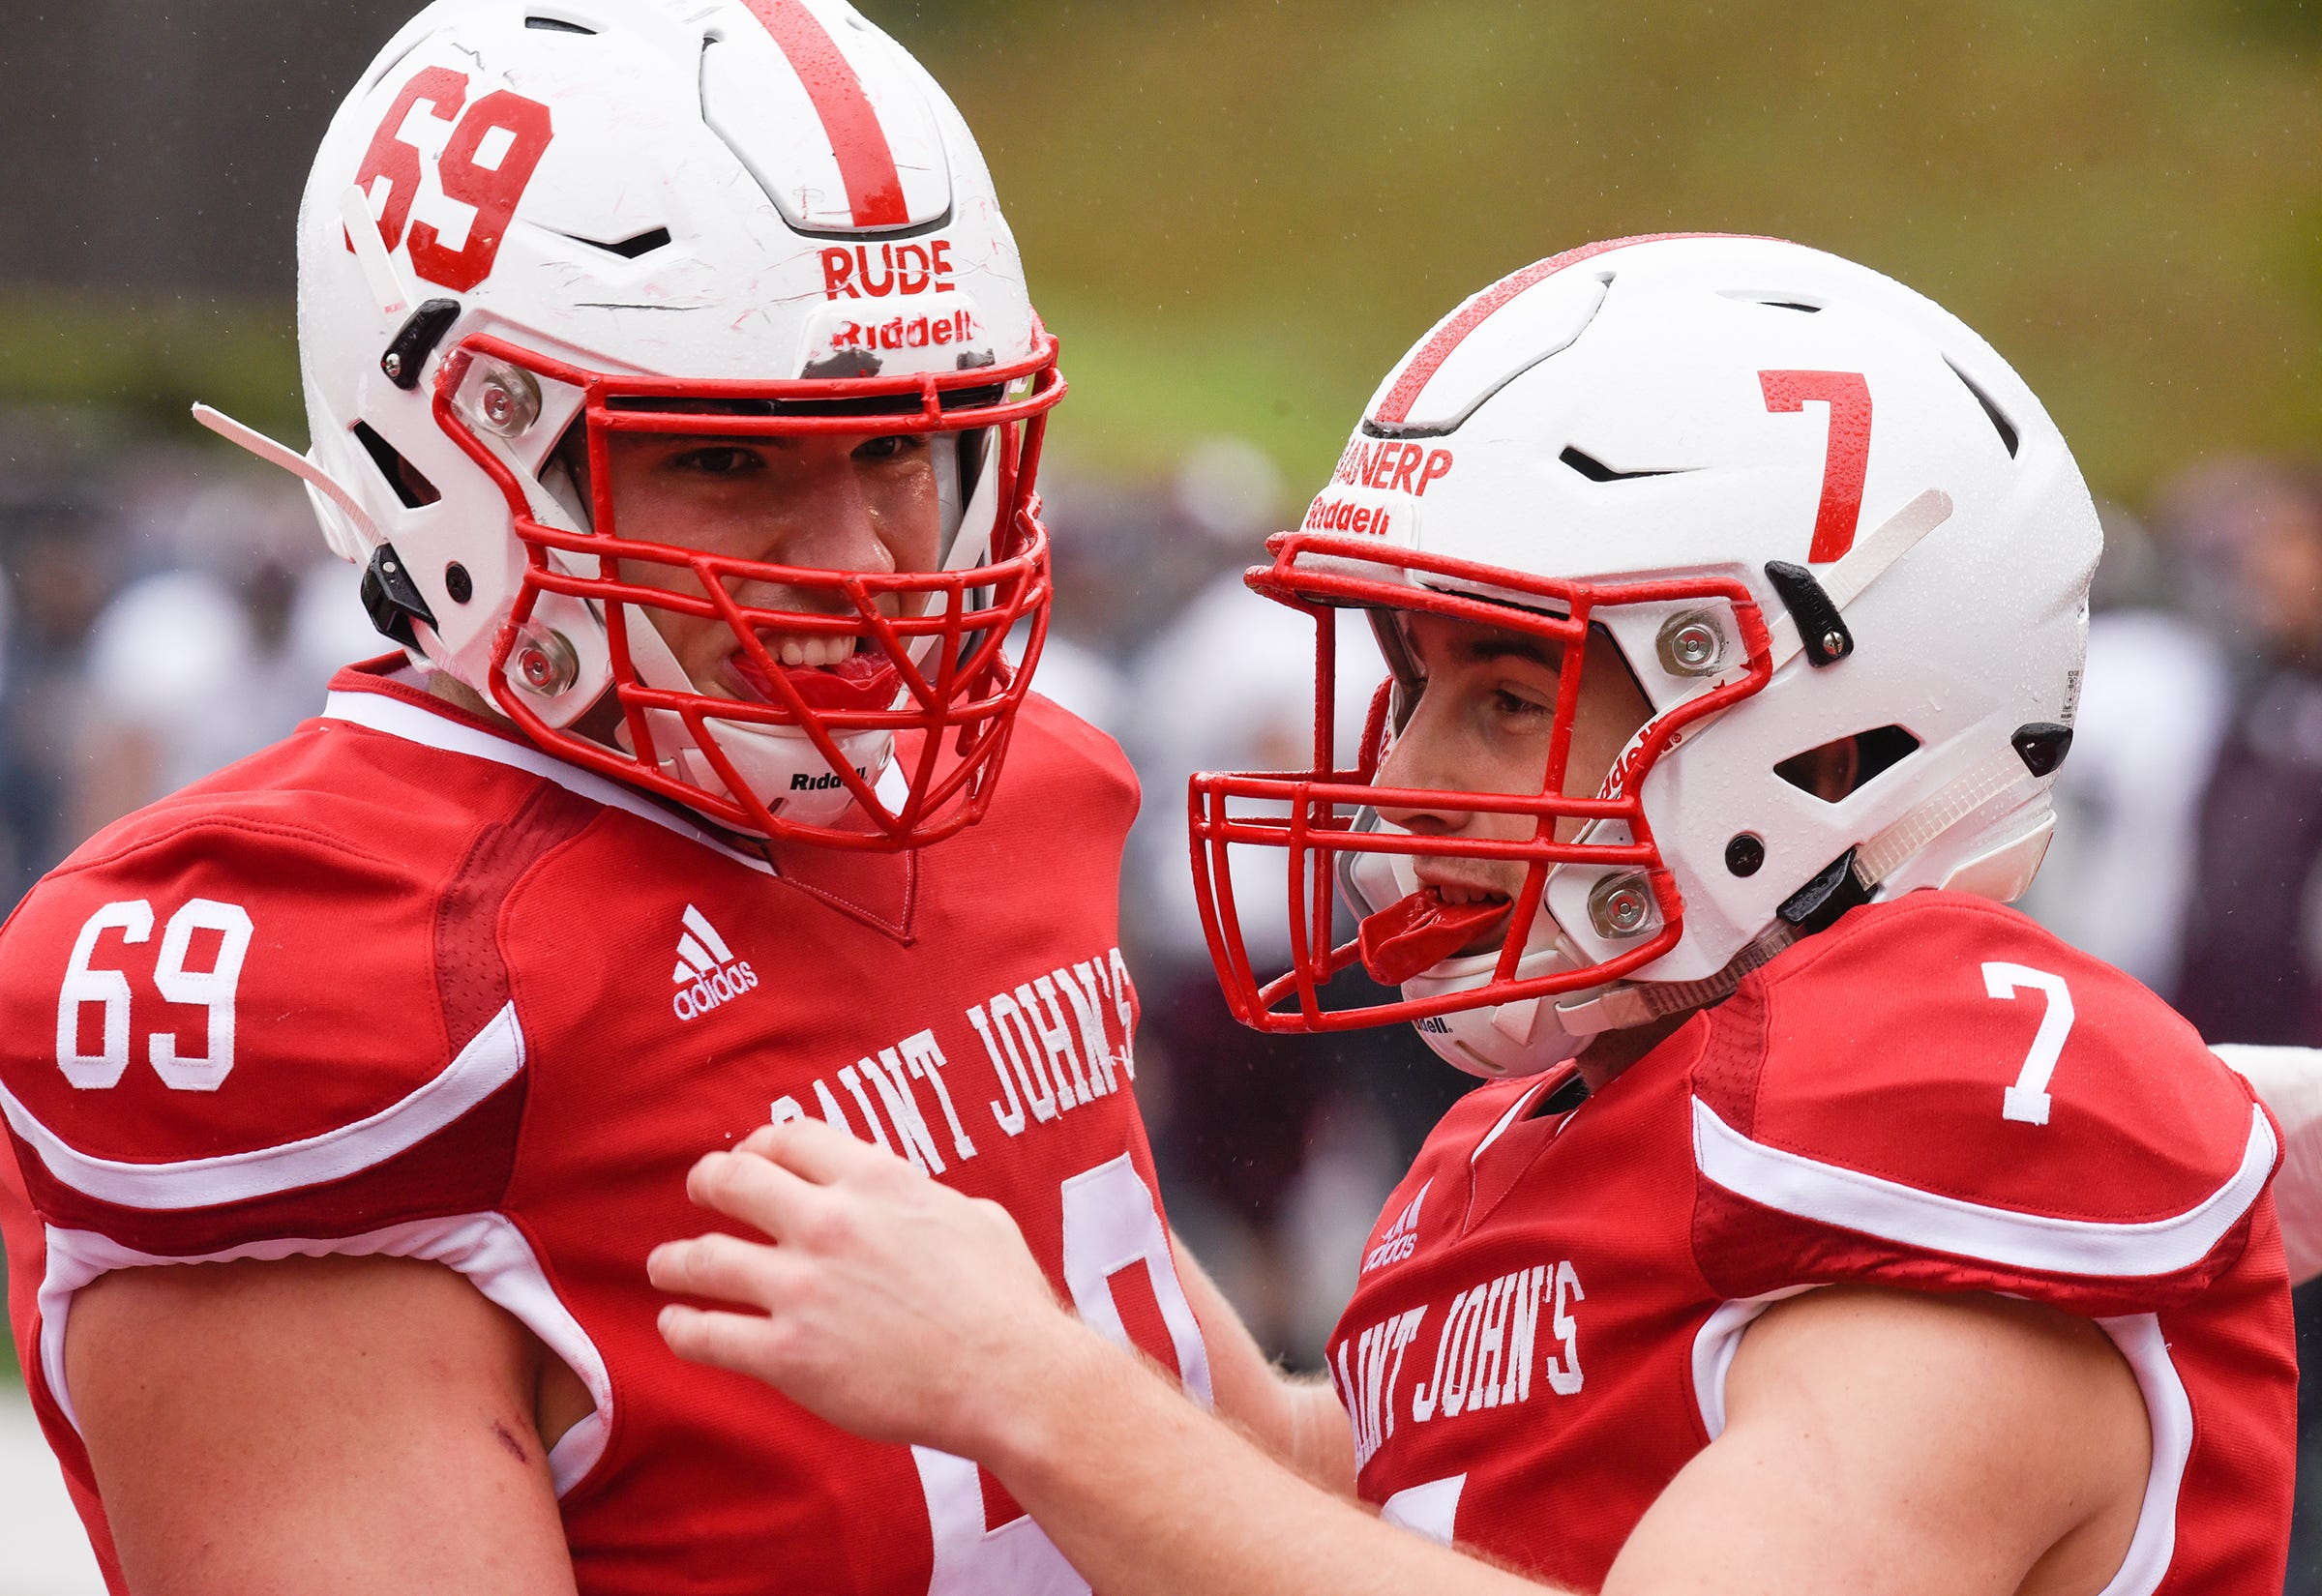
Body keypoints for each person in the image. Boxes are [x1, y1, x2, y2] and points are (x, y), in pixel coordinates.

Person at [648, 234, 2303, 1594]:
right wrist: (1059, 1212)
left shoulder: (1943, 1118)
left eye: (1509, 701)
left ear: (1823, 738)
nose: (1398, 787)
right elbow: (1378, 1501)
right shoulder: (1549, 1127)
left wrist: (1036, 1387)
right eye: (1415, 683)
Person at [0, 3, 1262, 1590]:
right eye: (730, 463)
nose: (866, 566)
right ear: (454, 466)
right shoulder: (355, 977)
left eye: (898, 446)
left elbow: (1239, 1452)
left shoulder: (1020, 794)